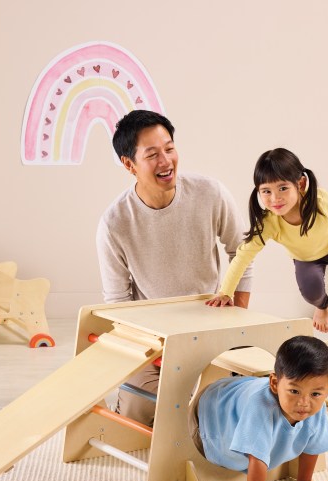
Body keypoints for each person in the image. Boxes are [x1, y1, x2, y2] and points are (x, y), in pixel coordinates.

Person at [97, 110, 253, 426]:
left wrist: (237, 322)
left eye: (169, 148)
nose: (165, 161)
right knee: (141, 420)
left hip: (210, 325)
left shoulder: (210, 192)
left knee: (228, 409)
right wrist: (153, 352)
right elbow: (117, 303)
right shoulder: (114, 223)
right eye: (152, 155)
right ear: (129, 164)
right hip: (153, 336)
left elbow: (243, 253)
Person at [206, 148, 328, 345]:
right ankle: (323, 306)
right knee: (311, 292)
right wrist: (226, 291)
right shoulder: (269, 222)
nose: (275, 199)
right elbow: (243, 256)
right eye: (267, 191)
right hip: (305, 257)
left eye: (283, 188)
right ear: (259, 192)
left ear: (300, 184)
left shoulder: (322, 204)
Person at [195, 336, 328, 481]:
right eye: (294, 391)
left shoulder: (315, 407)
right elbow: (257, 459)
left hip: (241, 389)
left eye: (316, 394)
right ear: (275, 384)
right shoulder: (260, 407)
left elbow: (314, 443)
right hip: (211, 407)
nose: (304, 402)